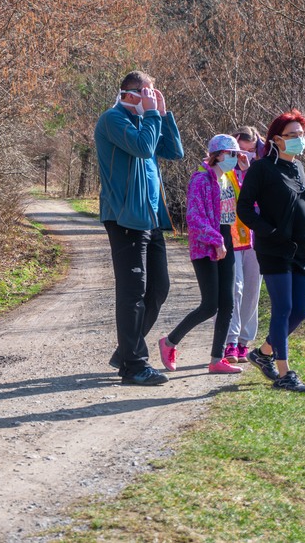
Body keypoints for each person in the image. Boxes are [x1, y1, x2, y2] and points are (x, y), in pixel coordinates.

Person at [95, 70, 184, 385]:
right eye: (147, 93)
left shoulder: (148, 120)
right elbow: (144, 148)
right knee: (132, 292)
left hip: (151, 218)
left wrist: (162, 114)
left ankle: (126, 351)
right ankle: (134, 366)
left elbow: (174, 152)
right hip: (124, 218)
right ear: (130, 94)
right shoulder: (113, 119)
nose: (151, 97)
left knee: (158, 289)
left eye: (153, 93)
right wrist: (150, 117)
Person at [236, 109, 305, 393]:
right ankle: (285, 373)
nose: (299, 139)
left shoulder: (298, 168)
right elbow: (244, 208)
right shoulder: (262, 168)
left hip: (302, 250)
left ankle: (263, 352)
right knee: (282, 309)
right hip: (274, 250)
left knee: (301, 311)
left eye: (301, 134)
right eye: (292, 135)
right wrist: (269, 231)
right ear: (276, 140)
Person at [157, 134, 245, 375]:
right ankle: (169, 343)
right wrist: (216, 241)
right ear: (217, 155)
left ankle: (217, 359)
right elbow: (194, 218)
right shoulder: (200, 180)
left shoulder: (229, 178)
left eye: (237, 154)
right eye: (231, 154)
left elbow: (245, 204)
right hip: (206, 245)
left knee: (227, 303)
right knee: (210, 305)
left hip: (226, 239)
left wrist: (244, 173)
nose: (234, 158)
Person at [223, 126, 264, 363]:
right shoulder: (224, 168)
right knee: (235, 289)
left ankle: (243, 342)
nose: (244, 156)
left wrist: (249, 172)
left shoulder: (261, 168)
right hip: (231, 238)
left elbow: (261, 200)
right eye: (240, 151)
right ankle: (231, 339)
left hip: (256, 238)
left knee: (252, 291)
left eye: (250, 151)